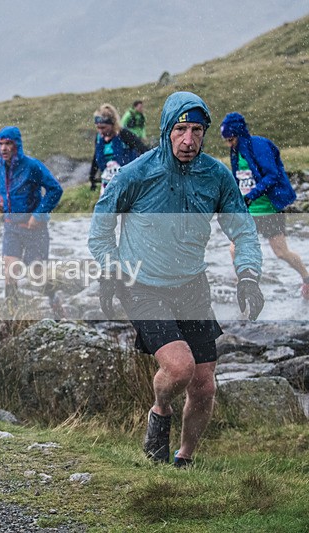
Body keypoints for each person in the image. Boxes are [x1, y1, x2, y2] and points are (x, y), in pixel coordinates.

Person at [88, 92, 264, 468]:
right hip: (143, 285)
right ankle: (160, 409)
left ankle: (184, 460)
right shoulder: (137, 172)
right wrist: (108, 270)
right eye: (180, 129)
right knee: (180, 368)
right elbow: (101, 225)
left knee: (203, 385)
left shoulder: (216, 176)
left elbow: (243, 231)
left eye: (197, 130)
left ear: (205, 132)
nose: (188, 140)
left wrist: (248, 275)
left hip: (192, 285)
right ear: (168, 130)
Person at [220, 112, 309, 299]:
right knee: (235, 249)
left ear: (238, 134)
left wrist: (252, 196)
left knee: (281, 252)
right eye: (226, 140)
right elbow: (239, 179)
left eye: (230, 139)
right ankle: (245, 288)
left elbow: (272, 175)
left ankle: (306, 278)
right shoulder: (235, 151)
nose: (229, 144)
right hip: (249, 212)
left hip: (269, 210)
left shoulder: (259, 146)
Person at [0, 126, 63, 306]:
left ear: (16, 145)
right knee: (9, 271)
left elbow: (55, 189)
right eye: (0, 144)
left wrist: (39, 215)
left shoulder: (32, 166)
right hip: (11, 227)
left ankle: (54, 301)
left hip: (35, 229)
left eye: (8, 144)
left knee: (37, 274)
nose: (3, 148)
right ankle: (12, 315)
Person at [89, 103, 148, 195]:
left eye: (103, 127)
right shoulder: (98, 138)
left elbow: (143, 149)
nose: (100, 131)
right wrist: (92, 176)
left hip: (128, 181)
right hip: (108, 183)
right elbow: (96, 157)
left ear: (112, 124)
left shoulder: (124, 134)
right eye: (98, 127)